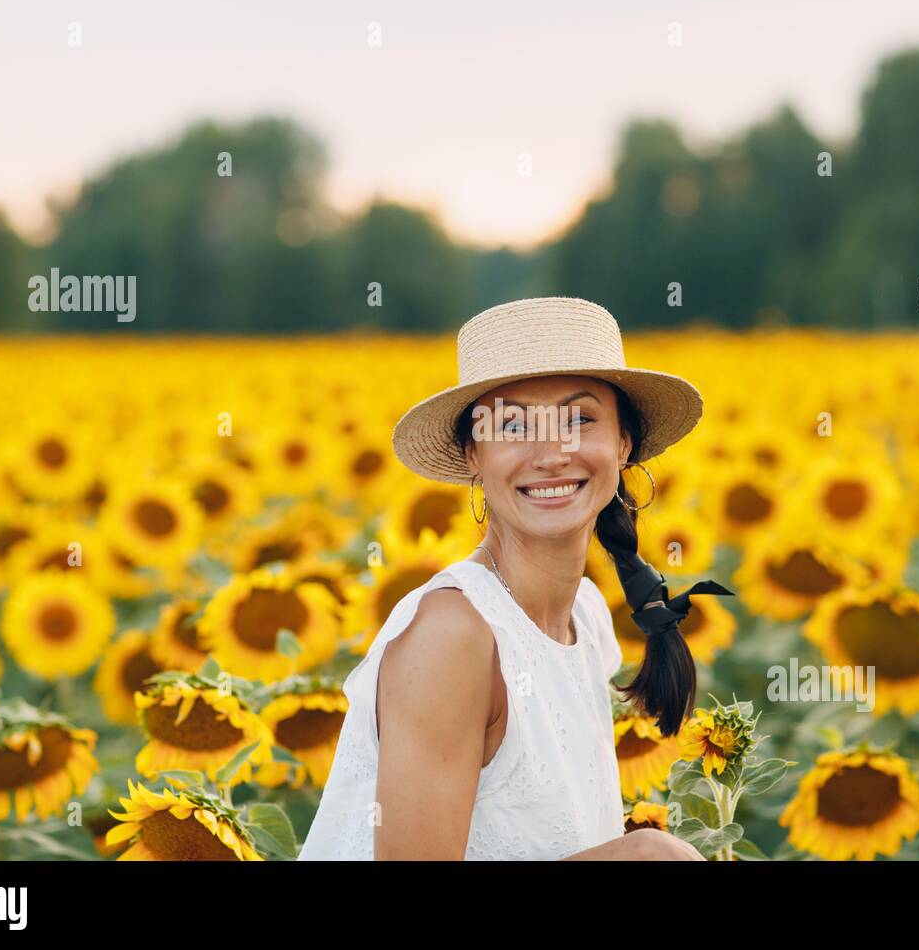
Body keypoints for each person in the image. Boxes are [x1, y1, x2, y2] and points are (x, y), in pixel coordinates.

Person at [298, 297, 730, 860]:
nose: (550, 454)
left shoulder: (588, 615)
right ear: (473, 453)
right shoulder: (453, 635)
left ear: (622, 443)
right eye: (512, 424)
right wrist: (643, 855)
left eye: (578, 419)